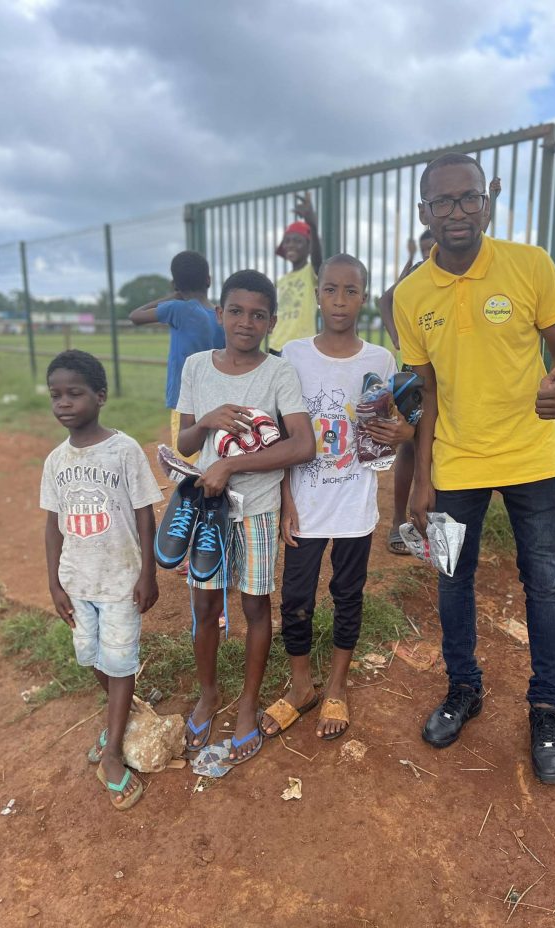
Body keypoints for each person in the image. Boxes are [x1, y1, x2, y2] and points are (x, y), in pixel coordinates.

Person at [394, 152, 555, 784]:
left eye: (467, 198)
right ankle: (463, 689)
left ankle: (546, 708)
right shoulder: (412, 295)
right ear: (425, 213)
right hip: (457, 464)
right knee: (451, 581)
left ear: (486, 200)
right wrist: (422, 477)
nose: (457, 212)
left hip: (533, 458)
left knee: (544, 583)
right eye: (442, 203)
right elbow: (429, 393)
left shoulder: (530, 266)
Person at [260, 254, 414, 741]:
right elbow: (285, 434)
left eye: (351, 291)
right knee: (296, 598)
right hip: (305, 505)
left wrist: (395, 434)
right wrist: (287, 500)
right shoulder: (293, 354)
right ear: (318, 295)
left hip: (354, 507)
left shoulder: (380, 361)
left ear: (364, 297)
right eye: (330, 290)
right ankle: (301, 685)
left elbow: (388, 434)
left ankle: (337, 686)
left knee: (348, 596)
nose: (340, 301)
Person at [176, 269, 315, 765]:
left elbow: (303, 444)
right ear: (219, 313)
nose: (246, 322)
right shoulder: (197, 367)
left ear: (271, 322)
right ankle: (209, 693)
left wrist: (231, 462)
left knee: (257, 608)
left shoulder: (277, 373)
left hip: (257, 508)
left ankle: (248, 704)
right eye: (236, 311)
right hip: (208, 513)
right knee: (206, 606)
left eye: (258, 314)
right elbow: (185, 442)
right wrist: (209, 421)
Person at [40, 350, 162, 809]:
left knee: (119, 659)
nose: (64, 403)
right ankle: (122, 714)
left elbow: (144, 513)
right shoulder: (55, 461)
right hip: (77, 581)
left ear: (100, 396)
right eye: (56, 395)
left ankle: (112, 752)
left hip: (119, 579)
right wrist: (54, 583)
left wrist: (148, 573)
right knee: (91, 654)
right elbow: (52, 525)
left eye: (75, 393)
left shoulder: (123, 449)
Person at [380, 178, 501, 556]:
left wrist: (491, 198)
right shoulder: (419, 274)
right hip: (421, 374)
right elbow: (389, 300)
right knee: (414, 447)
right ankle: (402, 521)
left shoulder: (470, 261)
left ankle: (440, 527)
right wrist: (402, 340)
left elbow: (480, 220)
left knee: (442, 448)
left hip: (457, 375)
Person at [129, 250, 224, 462]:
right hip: (216, 399)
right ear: (208, 280)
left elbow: (135, 316)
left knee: (187, 465)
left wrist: (171, 297)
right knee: (214, 456)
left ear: (174, 284)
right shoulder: (221, 315)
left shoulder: (177, 308)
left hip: (185, 405)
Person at [270, 192, 324, 351]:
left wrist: (312, 225)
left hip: (301, 347)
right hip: (276, 345)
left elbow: (317, 262)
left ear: (309, 247)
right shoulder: (281, 280)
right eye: (287, 241)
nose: (291, 245)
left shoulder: (310, 272)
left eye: (297, 241)